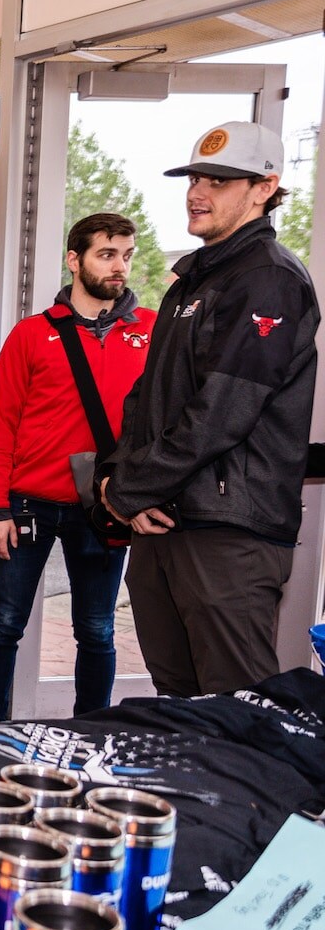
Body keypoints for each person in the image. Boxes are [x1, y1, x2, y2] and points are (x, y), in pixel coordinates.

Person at [101, 122, 320, 697]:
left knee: (236, 710)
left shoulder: (268, 278)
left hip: (228, 533)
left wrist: (130, 490)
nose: (198, 193)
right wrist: (116, 479)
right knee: (178, 701)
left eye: (218, 181)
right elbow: (146, 396)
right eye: (195, 178)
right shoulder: (191, 280)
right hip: (164, 521)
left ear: (264, 187)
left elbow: (223, 411)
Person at [0, 213, 156, 732]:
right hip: (28, 503)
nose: (119, 266)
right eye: (106, 254)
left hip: (106, 504)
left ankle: (87, 736)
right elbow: (1, 424)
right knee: (5, 623)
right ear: (74, 260)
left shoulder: (151, 331)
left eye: (126, 255)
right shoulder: (32, 334)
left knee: (96, 630)